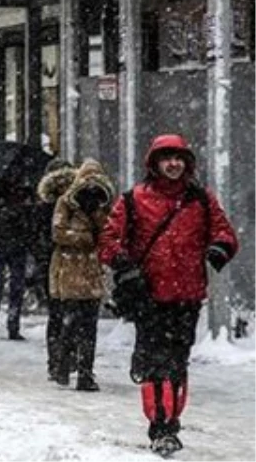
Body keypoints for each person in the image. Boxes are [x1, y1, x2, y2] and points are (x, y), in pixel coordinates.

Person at [98, 134, 239, 456]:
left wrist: (219, 248)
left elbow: (224, 232)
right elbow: (108, 239)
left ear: (186, 163)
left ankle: (170, 419)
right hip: (148, 296)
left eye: (179, 158)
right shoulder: (133, 200)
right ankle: (161, 426)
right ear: (154, 163)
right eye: (166, 158)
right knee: (158, 363)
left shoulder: (201, 200)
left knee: (177, 363)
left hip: (187, 296)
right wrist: (123, 265)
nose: (173, 164)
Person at [50, 159, 115, 392]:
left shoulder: (104, 205)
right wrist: (85, 238)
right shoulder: (66, 202)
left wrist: (98, 215)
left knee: (89, 327)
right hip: (71, 270)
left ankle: (85, 372)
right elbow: (58, 233)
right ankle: (64, 366)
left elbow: (109, 234)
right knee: (71, 323)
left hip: (91, 272)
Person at [0, 168, 38, 340]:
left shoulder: (25, 193)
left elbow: (32, 218)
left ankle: (13, 323)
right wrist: (2, 214)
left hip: (17, 244)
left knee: (16, 286)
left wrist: (20, 216)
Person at [36, 159, 78, 383]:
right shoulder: (79, 201)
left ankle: (55, 361)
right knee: (75, 313)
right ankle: (69, 357)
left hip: (52, 265)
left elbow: (35, 237)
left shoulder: (44, 204)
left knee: (56, 314)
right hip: (77, 263)